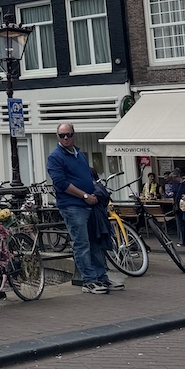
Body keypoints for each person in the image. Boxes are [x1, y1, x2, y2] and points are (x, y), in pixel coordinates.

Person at [46, 122, 120, 294]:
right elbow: (61, 183)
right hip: (73, 206)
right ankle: (89, 281)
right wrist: (85, 196)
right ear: (58, 137)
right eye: (62, 135)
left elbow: (87, 176)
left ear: (74, 135)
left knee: (95, 241)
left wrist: (93, 193)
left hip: (90, 204)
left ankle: (101, 277)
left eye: (68, 135)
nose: (65, 138)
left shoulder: (79, 154)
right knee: (82, 243)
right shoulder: (55, 157)